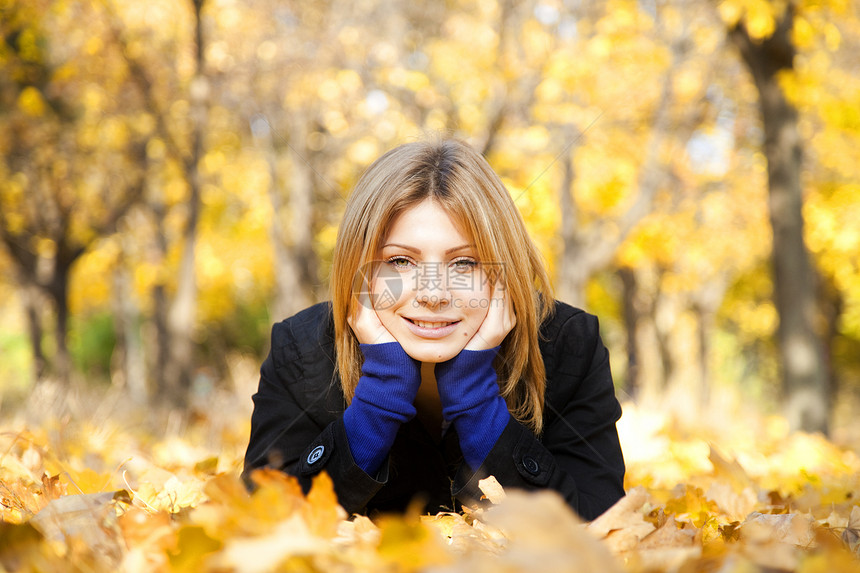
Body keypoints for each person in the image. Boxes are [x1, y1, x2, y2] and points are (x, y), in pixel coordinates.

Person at [242, 138, 625, 520]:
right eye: (400, 261)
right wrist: (380, 396)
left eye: (464, 263)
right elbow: (264, 523)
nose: (433, 294)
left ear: (504, 272)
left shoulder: (569, 343)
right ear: (359, 270)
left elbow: (602, 528)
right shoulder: (301, 347)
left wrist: (474, 396)